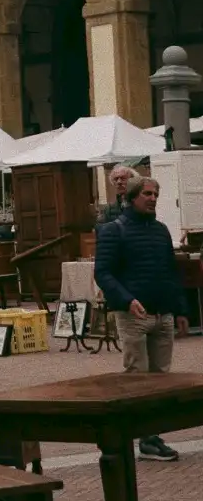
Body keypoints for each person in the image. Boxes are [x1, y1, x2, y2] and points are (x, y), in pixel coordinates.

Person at [95, 174, 189, 461]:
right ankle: (140, 436)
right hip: (134, 314)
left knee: (161, 379)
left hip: (163, 313)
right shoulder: (114, 230)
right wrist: (127, 300)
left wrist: (180, 310)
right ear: (132, 197)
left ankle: (153, 436)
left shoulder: (161, 231)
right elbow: (103, 273)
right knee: (138, 377)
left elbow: (170, 272)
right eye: (147, 194)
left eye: (155, 194)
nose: (152, 199)